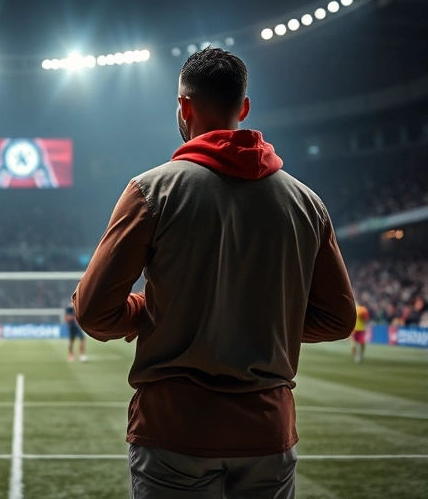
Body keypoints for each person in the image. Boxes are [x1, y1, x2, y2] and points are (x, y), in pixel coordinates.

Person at [73, 47, 356, 499]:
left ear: (184, 107)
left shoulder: (152, 190)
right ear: (244, 108)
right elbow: (339, 320)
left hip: (174, 429)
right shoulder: (307, 203)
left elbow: (93, 311)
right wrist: (263, 317)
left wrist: (152, 311)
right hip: (267, 431)